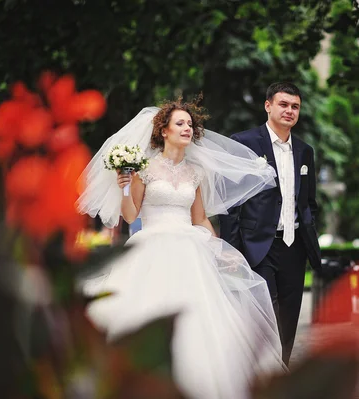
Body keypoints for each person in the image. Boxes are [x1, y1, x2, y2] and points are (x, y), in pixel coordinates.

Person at [77, 99, 286, 399]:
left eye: (190, 124)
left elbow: (199, 218)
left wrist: (219, 249)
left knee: (199, 322)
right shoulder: (143, 169)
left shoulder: (196, 174)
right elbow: (130, 215)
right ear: (163, 130)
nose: (187, 128)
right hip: (151, 248)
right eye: (180, 124)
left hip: (191, 249)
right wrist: (124, 185)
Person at [219, 82, 321, 366]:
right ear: (268, 106)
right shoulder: (245, 142)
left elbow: (308, 200)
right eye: (284, 104)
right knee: (264, 315)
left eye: (295, 106)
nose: (290, 111)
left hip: (295, 246)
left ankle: (281, 373)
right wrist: (231, 248)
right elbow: (231, 202)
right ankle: (261, 378)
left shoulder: (304, 151)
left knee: (289, 316)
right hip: (258, 246)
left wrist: (309, 229)